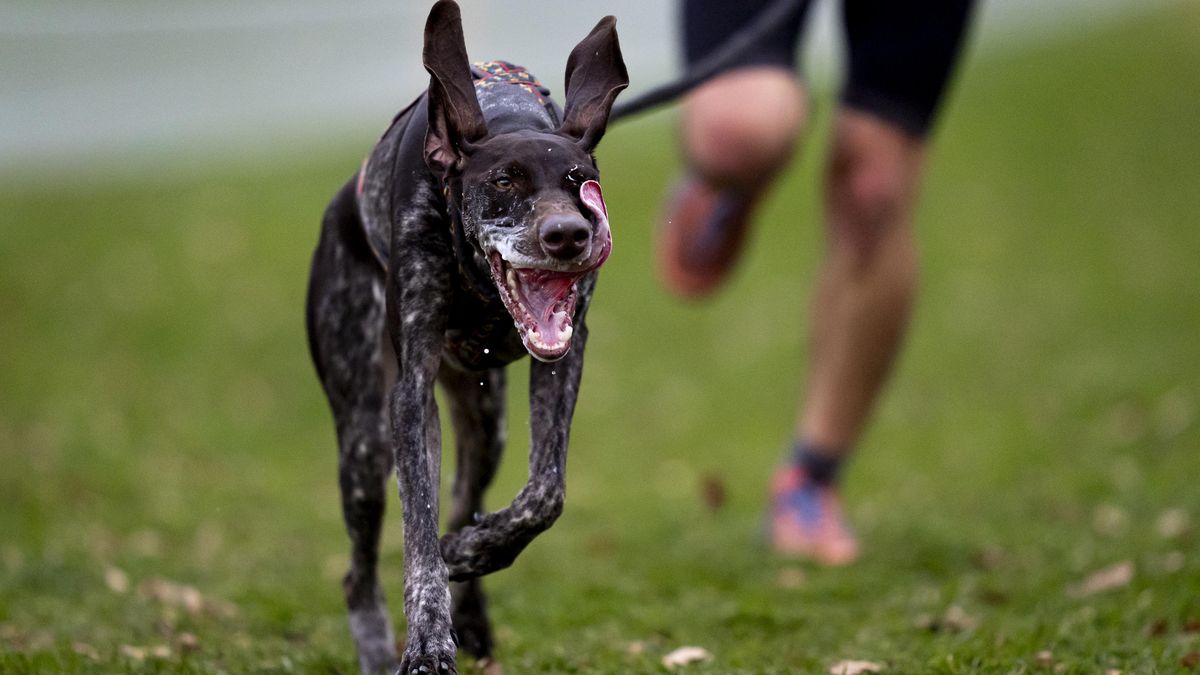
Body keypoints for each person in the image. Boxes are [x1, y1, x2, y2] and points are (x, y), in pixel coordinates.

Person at [657, 0, 976, 565]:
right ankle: (731, 176)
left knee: (873, 188)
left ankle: (811, 477)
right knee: (740, 130)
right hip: (738, 132)